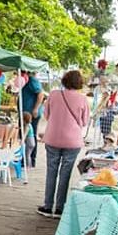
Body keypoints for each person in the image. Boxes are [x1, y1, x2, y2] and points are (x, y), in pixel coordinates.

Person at [39, 70, 89, 217]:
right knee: (65, 174)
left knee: (51, 172)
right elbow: (85, 121)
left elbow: (46, 115)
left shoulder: (54, 95)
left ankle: (48, 206)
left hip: (53, 138)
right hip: (72, 142)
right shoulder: (82, 99)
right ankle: (60, 208)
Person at [21, 71, 46, 167]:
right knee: (24, 134)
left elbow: (40, 94)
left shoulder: (32, 80)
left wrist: (35, 108)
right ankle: (24, 159)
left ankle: (30, 160)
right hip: (25, 113)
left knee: (30, 135)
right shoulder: (23, 81)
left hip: (31, 114)